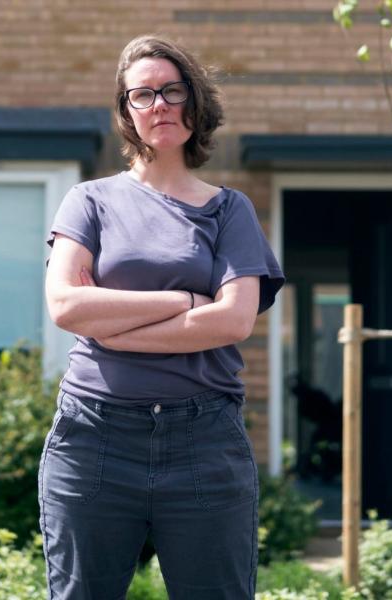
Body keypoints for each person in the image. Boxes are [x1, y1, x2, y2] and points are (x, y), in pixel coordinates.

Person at [40, 34, 285, 599]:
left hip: (203, 441)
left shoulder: (230, 210)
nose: (160, 106)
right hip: (94, 438)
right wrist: (183, 302)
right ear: (126, 111)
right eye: (142, 95)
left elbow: (232, 323)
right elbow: (66, 306)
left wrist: (112, 321)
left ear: (195, 104)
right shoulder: (89, 201)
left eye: (173, 91)